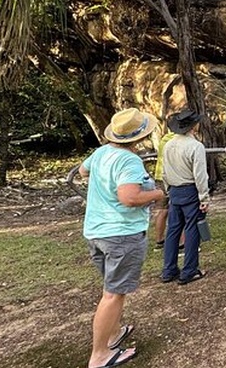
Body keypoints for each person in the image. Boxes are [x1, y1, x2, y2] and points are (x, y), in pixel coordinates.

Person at [79, 108, 166, 368]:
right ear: (138, 136)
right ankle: (100, 354)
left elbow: (83, 172)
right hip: (121, 234)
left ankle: (114, 333)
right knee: (113, 294)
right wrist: (156, 195)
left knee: (113, 288)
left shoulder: (101, 153)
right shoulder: (129, 161)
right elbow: (128, 198)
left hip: (97, 231)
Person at [160, 110, 210, 285]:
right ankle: (189, 270)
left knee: (173, 230)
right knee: (192, 229)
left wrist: (168, 190)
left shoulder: (168, 145)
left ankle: (168, 269)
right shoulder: (195, 146)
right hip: (190, 190)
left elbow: (164, 171)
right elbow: (200, 175)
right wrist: (204, 197)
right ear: (193, 126)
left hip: (174, 190)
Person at [152, 130, 176, 250]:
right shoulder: (178, 140)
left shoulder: (164, 139)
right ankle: (181, 243)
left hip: (159, 177)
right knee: (179, 209)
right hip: (173, 178)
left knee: (160, 209)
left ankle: (159, 241)